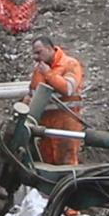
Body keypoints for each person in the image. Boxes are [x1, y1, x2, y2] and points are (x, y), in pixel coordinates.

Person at [22, 35, 85, 165]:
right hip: (44, 126)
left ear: (50, 49)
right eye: (34, 54)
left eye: (39, 52)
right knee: (46, 163)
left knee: (66, 163)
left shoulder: (70, 64)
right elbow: (32, 93)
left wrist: (49, 74)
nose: (36, 57)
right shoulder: (39, 70)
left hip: (66, 124)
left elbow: (68, 89)